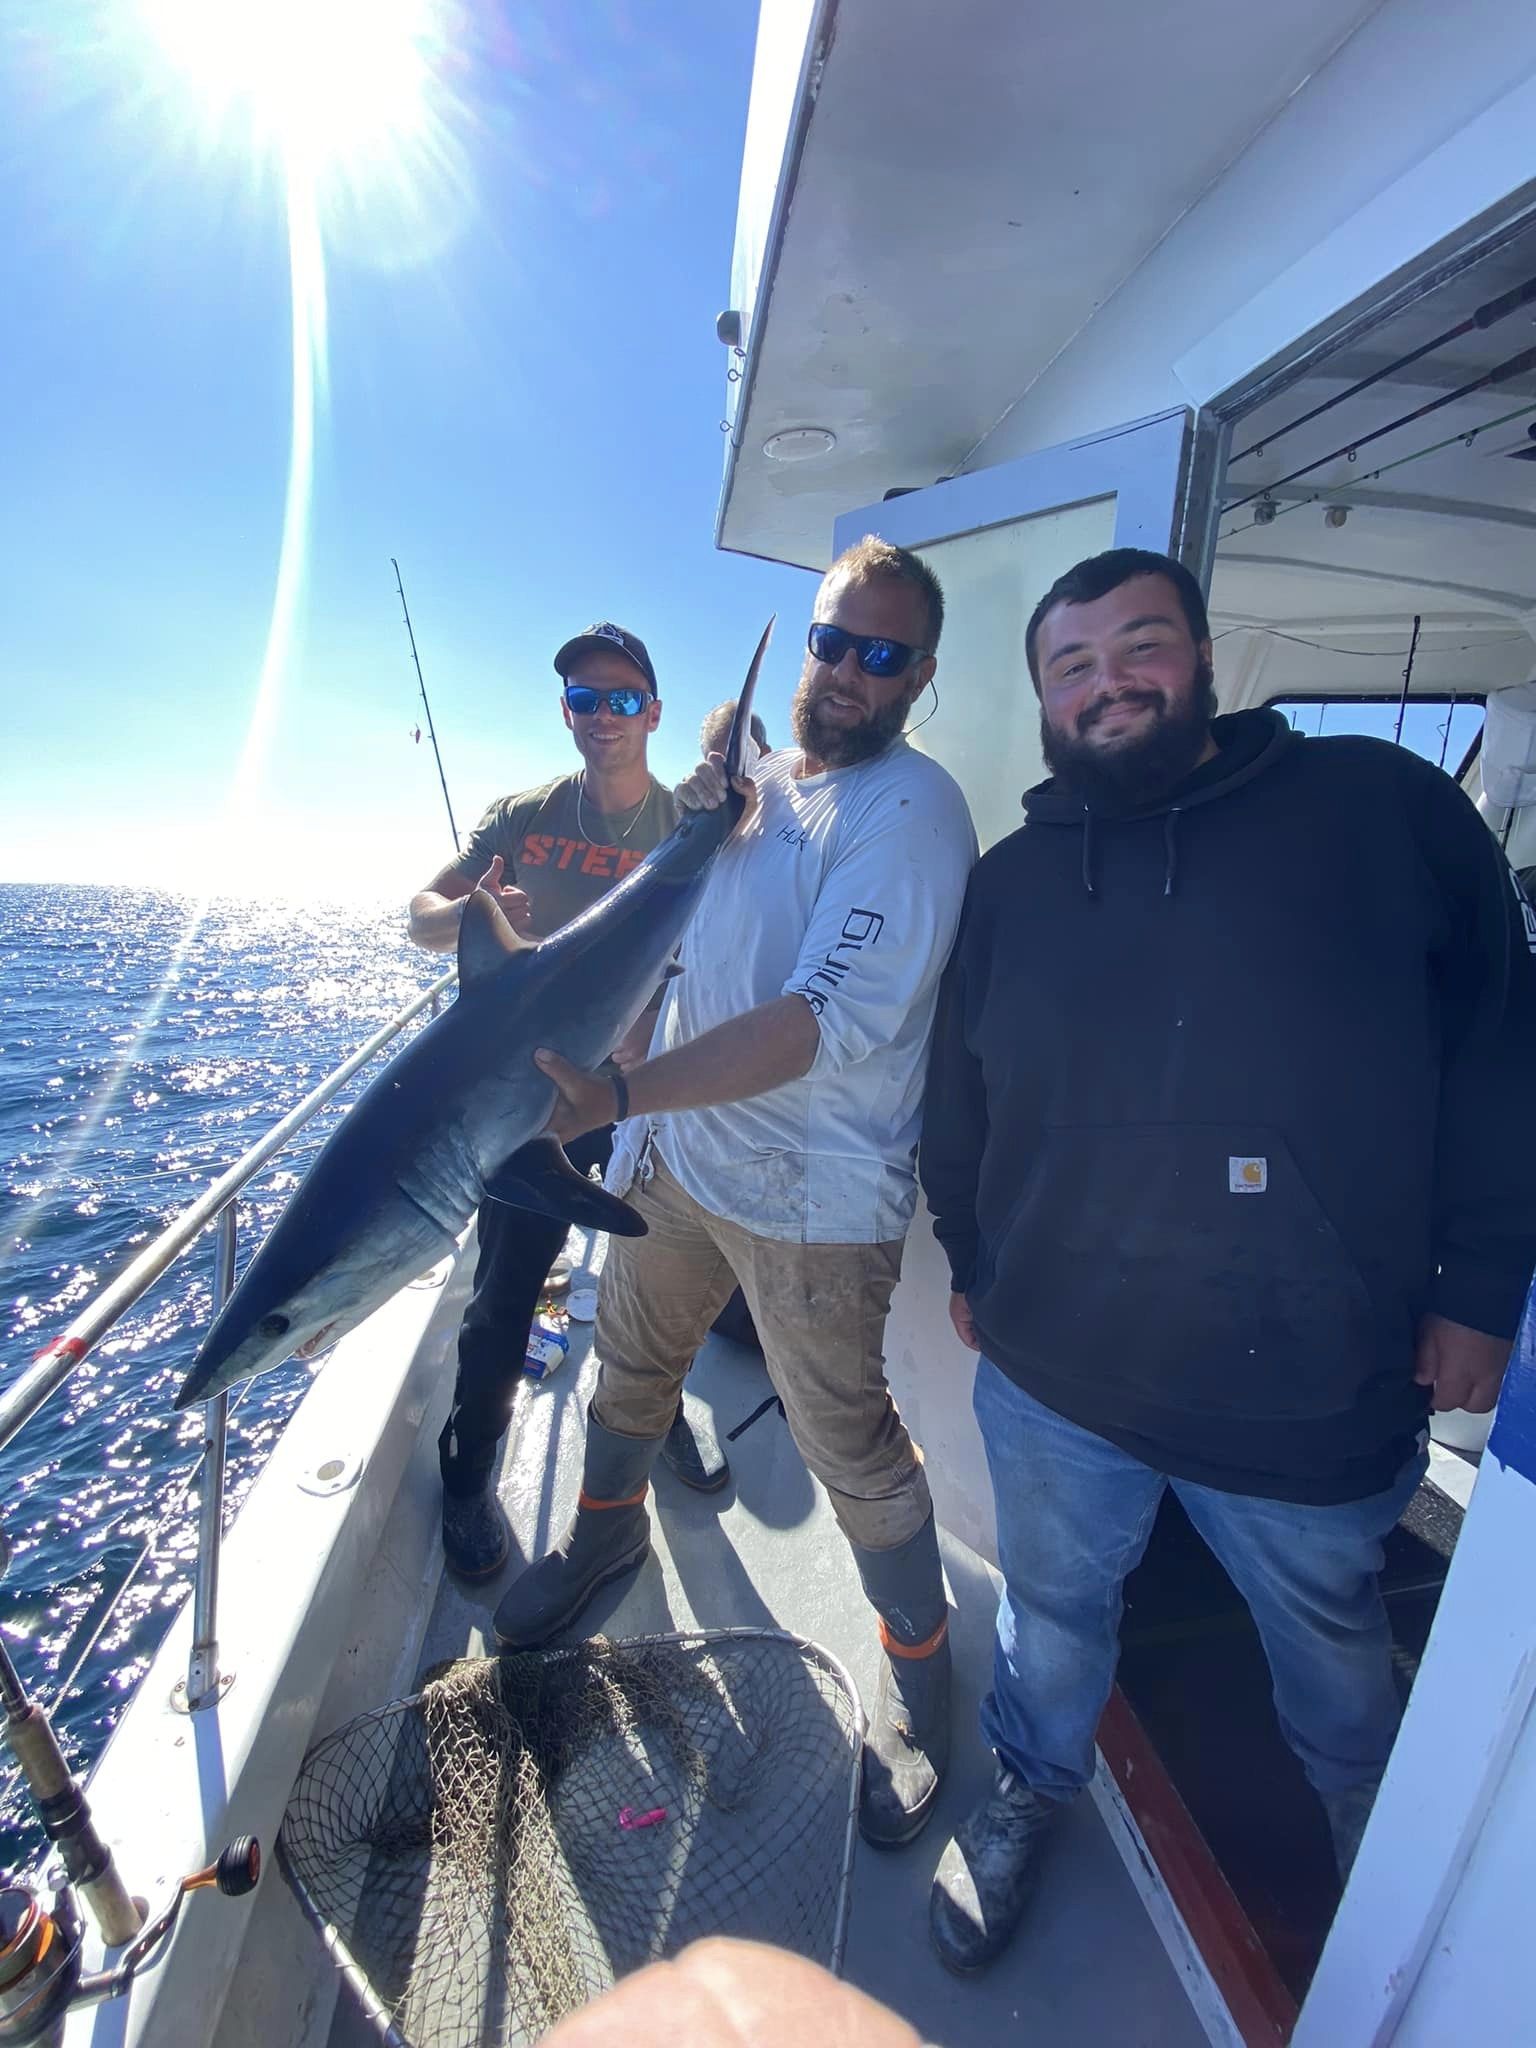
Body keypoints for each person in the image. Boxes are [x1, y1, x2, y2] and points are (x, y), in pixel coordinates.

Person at [919, 545, 1536, 1973]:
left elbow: (1504, 1052)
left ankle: (1376, 1846)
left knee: (1331, 1646)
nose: (1109, 683)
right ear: (1044, 698)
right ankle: (1031, 1787)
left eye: (1141, 645)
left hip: (1309, 1380)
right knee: (1052, 1620)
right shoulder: (1012, 881)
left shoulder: (1378, 809)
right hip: (1057, 1377)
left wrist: (1478, 1285)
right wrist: (971, 1254)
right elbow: (961, 1096)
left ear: (1203, 658)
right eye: (1072, 665)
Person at [494, 538, 978, 1850]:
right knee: (631, 1356)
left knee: (847, 1443)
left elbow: (816, 1021)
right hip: (680, 1161)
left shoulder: (914, 813)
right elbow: (688, 950)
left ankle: (919, 1670)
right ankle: (604, 1538)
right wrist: (721, 783)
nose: (848, 670)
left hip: (812, 1196)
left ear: (921, 674)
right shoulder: (762, 789)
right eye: (833, 640)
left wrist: (615, 1096)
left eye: (882, 654)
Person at [407, 621, 729, 1581]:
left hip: (644, 1094)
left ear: (654, 714)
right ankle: (470, 1477)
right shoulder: (522, 817)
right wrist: (474, 914)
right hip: (530, 1115)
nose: (603, 715)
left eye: (622, 699)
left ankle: (652, 1418)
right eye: (585, 699)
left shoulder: (684, 818)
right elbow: (420, 916)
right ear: (565, 713)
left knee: (661, 1282)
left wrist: (733, 800)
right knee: (505, 1293)